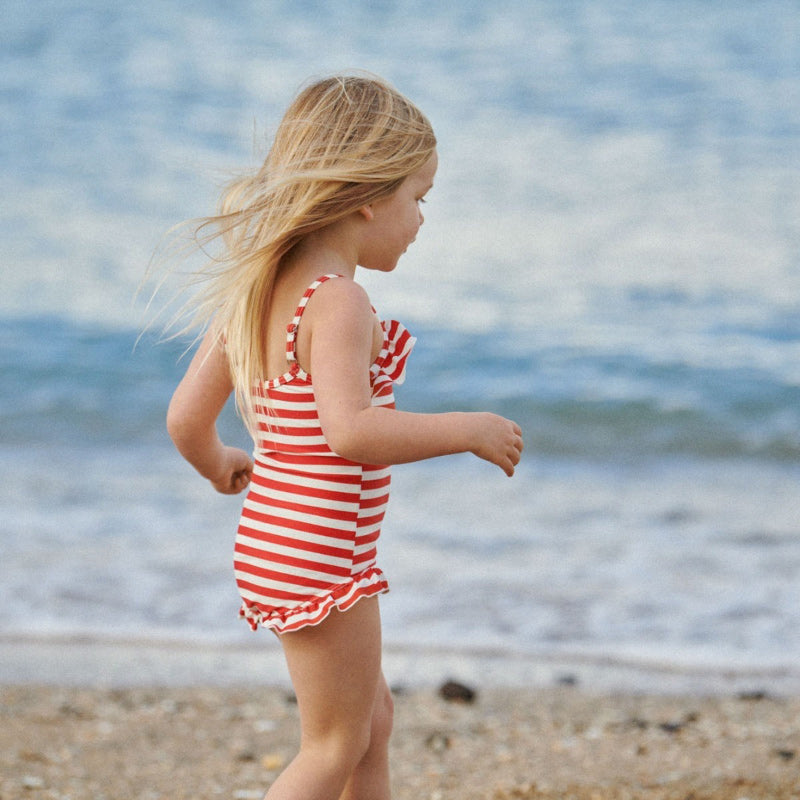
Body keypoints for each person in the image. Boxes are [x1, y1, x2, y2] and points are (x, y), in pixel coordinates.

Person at [165, 74, 523, 800]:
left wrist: (220, 466)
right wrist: (469, 430)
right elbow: (353, 432)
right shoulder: (338, 302)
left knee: (372, 722)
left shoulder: (258, 290)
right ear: (367, 197)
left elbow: (184, 420)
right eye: (418, 198)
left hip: (281, 539)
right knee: (333, 744)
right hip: (319, 556)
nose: (423, 219)